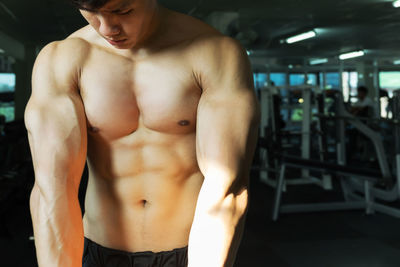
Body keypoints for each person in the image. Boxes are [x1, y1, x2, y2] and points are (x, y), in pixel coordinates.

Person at [24, 0, 260, 266]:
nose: (107, 28)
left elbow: (226, 186)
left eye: (122, 11)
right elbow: (53, 188)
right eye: (91, 13)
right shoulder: (63, 60)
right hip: (99, 251)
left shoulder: (215, 55)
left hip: (191, 252)